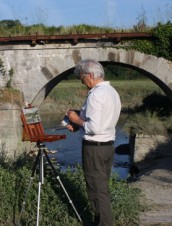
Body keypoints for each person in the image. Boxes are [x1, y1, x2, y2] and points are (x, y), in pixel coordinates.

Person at [66, 59, 121, 226]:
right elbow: (101, 122)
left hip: (94, 149)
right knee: (101, 189)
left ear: (90, 75)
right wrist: (79, 124)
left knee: (96, 191)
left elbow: (95, 127)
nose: (82, 82)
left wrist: (76, 119)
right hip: (108, 147)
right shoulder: (112, 92)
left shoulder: (96, 94)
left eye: (82, 78)